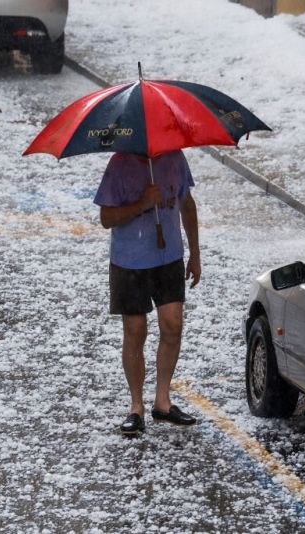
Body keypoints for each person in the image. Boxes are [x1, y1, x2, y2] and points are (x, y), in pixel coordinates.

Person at [94, 149, 201, 436]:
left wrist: (195, 253)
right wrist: (142, 204)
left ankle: (162, 401)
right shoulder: (119, 165)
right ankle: (136, 406)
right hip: (128, 262)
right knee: (135, 331)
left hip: (169, 258)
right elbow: (106, 218)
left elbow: (187, 204)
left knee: (172, 325)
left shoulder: (176, 159)